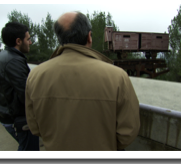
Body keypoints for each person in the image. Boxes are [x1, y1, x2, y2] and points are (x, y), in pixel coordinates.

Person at [25, 11, 140, 151]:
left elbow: (35, 128)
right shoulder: (118, 76)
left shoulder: (35, 76)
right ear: (89, 37)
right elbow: (128, 132)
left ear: (60, 38)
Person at [0, 22, 39, 151]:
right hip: (19, 120)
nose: (30, 42)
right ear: (18, 41)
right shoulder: (14, 61)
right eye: (28, 39)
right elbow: (27, 95)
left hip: (7, 116)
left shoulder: (0, 57)